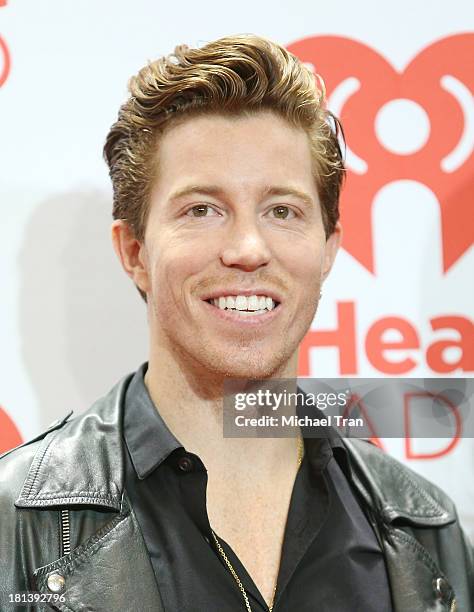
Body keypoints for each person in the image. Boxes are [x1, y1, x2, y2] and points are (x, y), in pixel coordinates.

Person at [0, 34, 472, 612]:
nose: (249, 248)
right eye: (202, 209)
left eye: (282, 211)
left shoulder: (426, 528)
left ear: (327, 249)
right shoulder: (14, 522)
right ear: (134, 252)